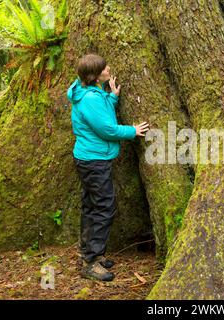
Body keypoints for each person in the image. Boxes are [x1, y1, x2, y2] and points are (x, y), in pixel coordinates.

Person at [67, 54, 149, 281]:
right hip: (94, 161)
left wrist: (111, 97)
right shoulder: (90, 99)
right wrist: (132, 131)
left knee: (91, 205)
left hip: (89, 159)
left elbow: (99, 114)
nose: (108, 68)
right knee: (104, 207)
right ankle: (91, 262)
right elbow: (107, 130)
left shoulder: (87, 92)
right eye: (105, 68)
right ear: (95, 75)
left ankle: (89, 254)